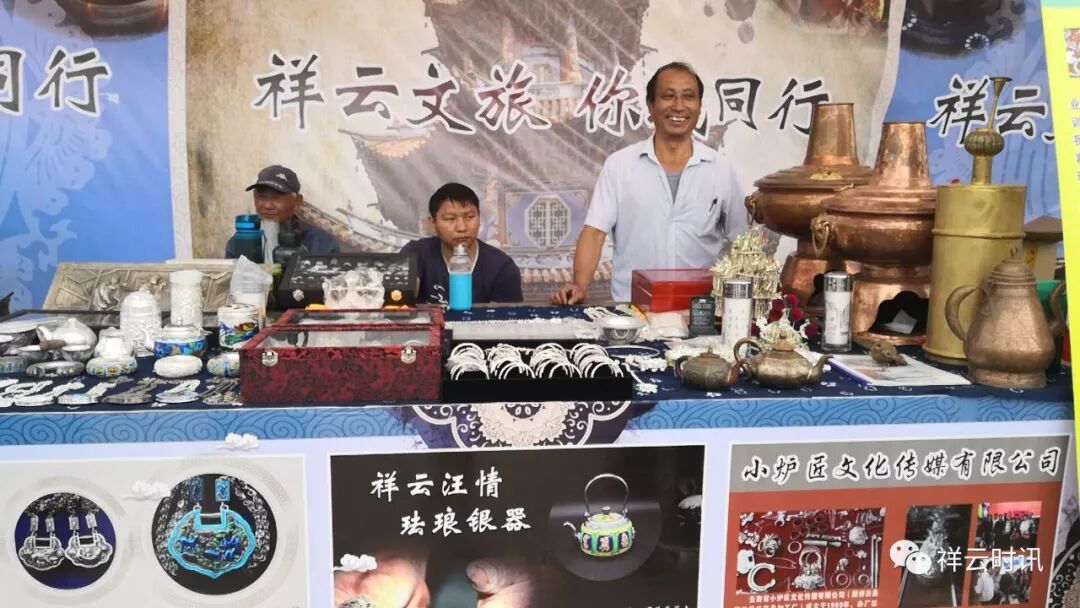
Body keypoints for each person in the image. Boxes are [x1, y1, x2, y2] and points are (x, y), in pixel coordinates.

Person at [551, 61, 748, 304]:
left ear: (698, 107)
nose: (678, 106)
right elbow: (594, 232)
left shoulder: (720, 169)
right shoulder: (620, 165)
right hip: (634, 309)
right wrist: (579, 285)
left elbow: (742, 242)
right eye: (668, 96)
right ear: (651, 106)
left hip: (702, 312)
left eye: (688, 97)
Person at [400, 183, 523, 304]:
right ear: (432, 224)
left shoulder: (502, 267)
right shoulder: (415, 252)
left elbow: (506, 316)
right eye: (450, 219)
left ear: (479, 219)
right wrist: (404, 293)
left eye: (469, 217)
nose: (462, 228)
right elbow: (399, 299)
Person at [225, 164, 340, 257]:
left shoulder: (321, 244)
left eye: (276, 198)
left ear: (297, 202)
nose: (267, 205)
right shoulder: (240, 242)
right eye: (262, 197)